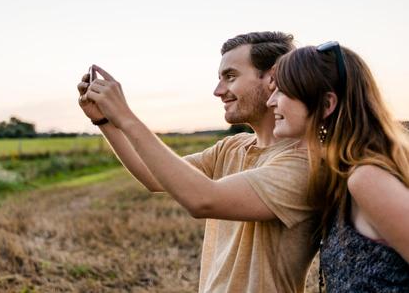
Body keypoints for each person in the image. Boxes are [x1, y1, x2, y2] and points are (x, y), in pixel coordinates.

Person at [77, 32, 320, 293]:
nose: (218, 91)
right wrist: (105, 122)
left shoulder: (302, 164)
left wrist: (125, 116)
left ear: (272, 77)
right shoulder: (232, 147)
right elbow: (154, 176)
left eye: (230, 76)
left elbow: (203, 199)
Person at [267, 42, 409, 291]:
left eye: (282, 91)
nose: (271, 102)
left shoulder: (366, 177)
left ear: (326, 104)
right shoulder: (344, 173)